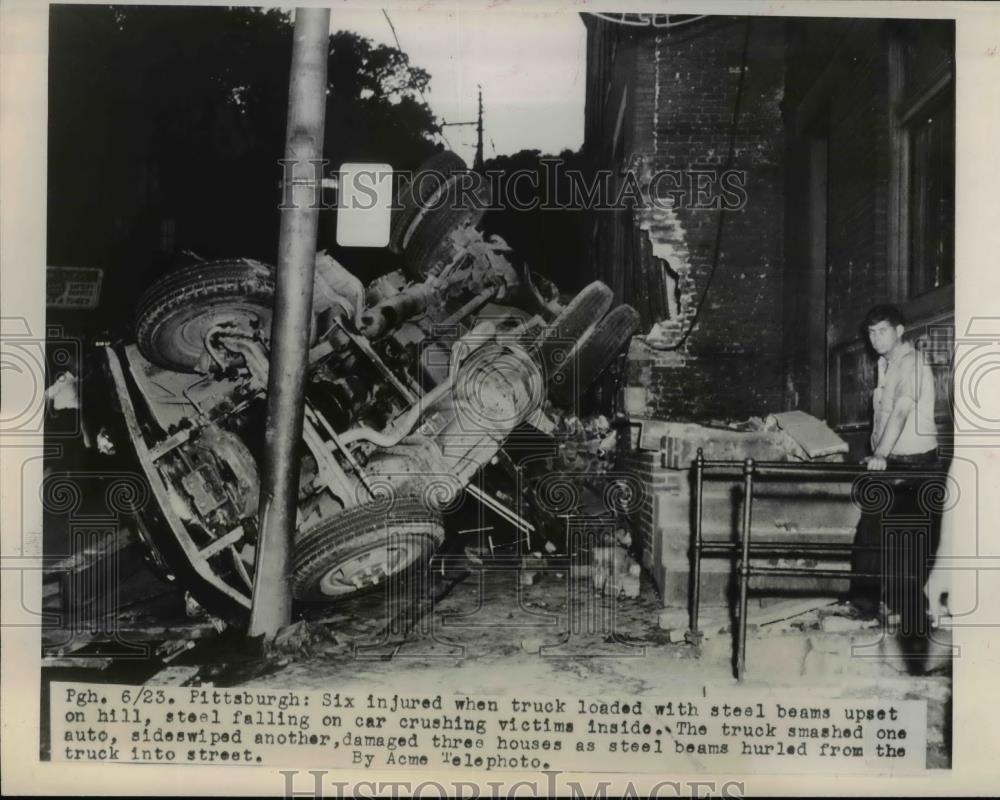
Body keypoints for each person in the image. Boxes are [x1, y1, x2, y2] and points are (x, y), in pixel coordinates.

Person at [853, 305, 943, 645]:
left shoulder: (912, 365)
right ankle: (867, 606)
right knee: (870, 532)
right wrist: (878, 453)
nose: (876, 339)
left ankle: (914, 621)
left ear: (900, 331)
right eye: (871, 333)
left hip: (915, 464)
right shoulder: (885, 364)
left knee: (907, 543)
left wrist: (880, 454)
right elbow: (883, 414)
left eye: (882, 331)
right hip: (891, 462)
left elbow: (902, 411)